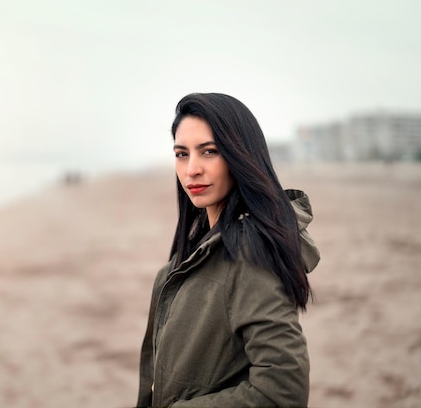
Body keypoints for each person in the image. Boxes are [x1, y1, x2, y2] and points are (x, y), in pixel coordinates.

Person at [136, 93, 320, 407]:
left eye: (209, 151)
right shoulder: (200, 252)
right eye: (182, 154)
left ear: (240, 156)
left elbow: (282, 388)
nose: (191, 169)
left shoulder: (247, 251)